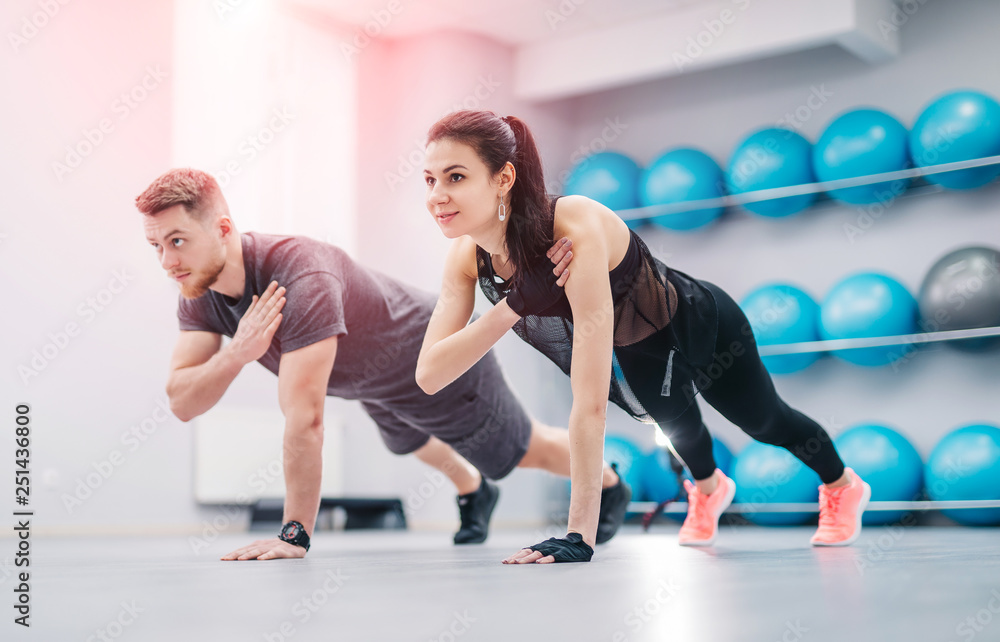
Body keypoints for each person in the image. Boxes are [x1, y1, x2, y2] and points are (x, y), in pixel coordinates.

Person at [415, 110, 872, 564]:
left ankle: (842, 485)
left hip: (702, 324)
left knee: (765, 422)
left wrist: (578, 537)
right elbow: (431, 375)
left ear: (503, 178)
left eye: (455, 177)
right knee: (681, 430)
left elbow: (589, 403)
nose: (437, 196)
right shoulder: (464, 258)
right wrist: (514, 305)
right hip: (637, 347)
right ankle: (711, 491)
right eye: (430, 180)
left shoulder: (571, 228)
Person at [134, 168, 632, 561]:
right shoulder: (198, 286)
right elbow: (182, 401)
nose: (167, 261)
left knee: (518, 450)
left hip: (426, 355)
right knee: (408, 442)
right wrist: (239, 352)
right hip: (369, 380)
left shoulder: (299, 274)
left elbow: (305, 418)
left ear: (222, 229)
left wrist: (294, 534)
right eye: (156, 245)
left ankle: (609, 484)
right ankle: (474, 492)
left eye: (177, 240)